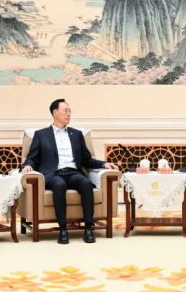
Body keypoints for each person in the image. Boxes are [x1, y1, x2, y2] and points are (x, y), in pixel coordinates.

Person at [21, 99, 118, 244]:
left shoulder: (76, 134)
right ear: (55, 113)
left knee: (86, 184)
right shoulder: (41, 134)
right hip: (54, 174)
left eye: (69, 111)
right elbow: (32, 157)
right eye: (65, 111)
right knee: (59, 185)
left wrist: (104, 164)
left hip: (73, 173)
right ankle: (63, 230)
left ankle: (88, 229)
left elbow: (87, 159)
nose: (68, 114)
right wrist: (27, 165)